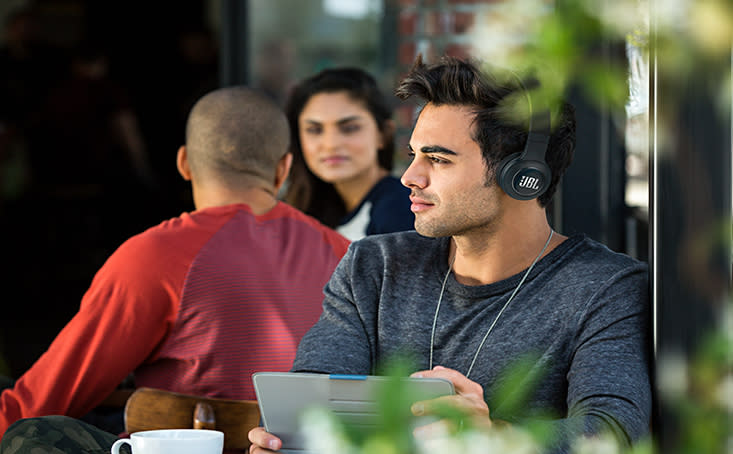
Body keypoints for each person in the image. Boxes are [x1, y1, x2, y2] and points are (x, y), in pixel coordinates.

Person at [248, 56, 651, 453]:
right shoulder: (372, 266)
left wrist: (493, 435)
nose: (410, 177)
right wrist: (284, 441)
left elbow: (612, 431)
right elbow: (310, 403)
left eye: (437, 159)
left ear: (523, 175)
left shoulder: (605, 287)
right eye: (413, 155)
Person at [0, 86, 350, 441]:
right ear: (283, 168)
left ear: (183, 163)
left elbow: (40, 403)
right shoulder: (346, 254)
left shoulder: (156, 257)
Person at [282, 67, 414, 241]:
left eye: (349, 128)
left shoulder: (400, 210)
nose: (330, 144)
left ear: (383, 134)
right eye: (314, 130)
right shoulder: (307, 210)